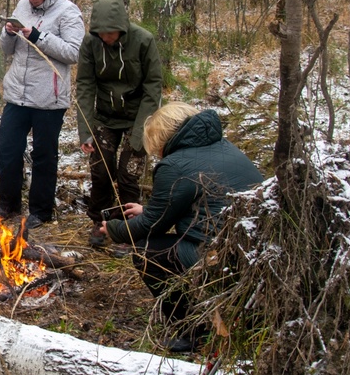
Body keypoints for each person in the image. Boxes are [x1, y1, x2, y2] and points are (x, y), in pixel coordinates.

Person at [94, 102, 264, 348]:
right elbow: (193, 202)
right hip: (255, 250)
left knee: (148, 252)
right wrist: (148, 210)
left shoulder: (174, 166)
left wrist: (114, 229)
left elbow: (150, 228)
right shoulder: (225, 147)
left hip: (224, 258)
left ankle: (193, 331)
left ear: (161, 139)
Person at [0, 0, 85, 234]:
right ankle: (8, 206)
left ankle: (41, 211)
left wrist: (37, 36)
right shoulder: (22, 6)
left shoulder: (68, 12)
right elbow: (7, 50)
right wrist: (9, 33)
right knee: (8, 152)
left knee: (44, 156)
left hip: (49, 99)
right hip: (16, 95)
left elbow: (74, 52)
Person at [75, 0, 165, 247]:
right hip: (105, 115)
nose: (106, 37)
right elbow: (85, 85)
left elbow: (153, 87)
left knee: (128, 175)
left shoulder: (143, 41)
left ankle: (127, 229)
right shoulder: (90, 44)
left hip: (138, 116)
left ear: (122, 27)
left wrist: (140, 134)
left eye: (110, 33)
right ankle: (100, 222)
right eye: (101, 33)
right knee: (101, 172)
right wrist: (86, 131)